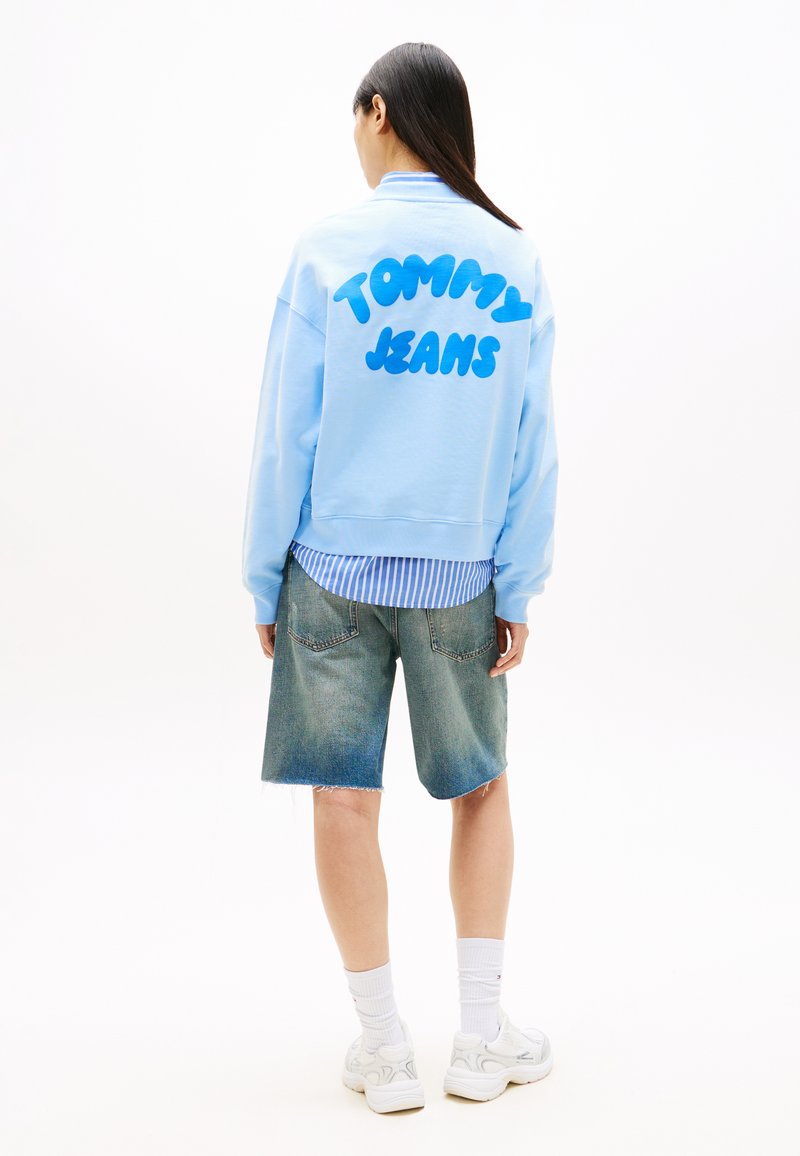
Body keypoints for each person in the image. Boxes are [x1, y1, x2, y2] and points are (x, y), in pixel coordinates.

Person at [241, 42, 558, 1112]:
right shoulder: (513, 260)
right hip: (460, 574)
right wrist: (518, 583)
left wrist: (263, 577)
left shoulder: (325, 250)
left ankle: (381, 1050)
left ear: (378, 111)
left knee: (343, 797)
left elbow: (283, 433)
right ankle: (479, 1038)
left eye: (355, 120)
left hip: (328, 571)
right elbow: (533, 447)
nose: (355, 139)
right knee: (480, 788)